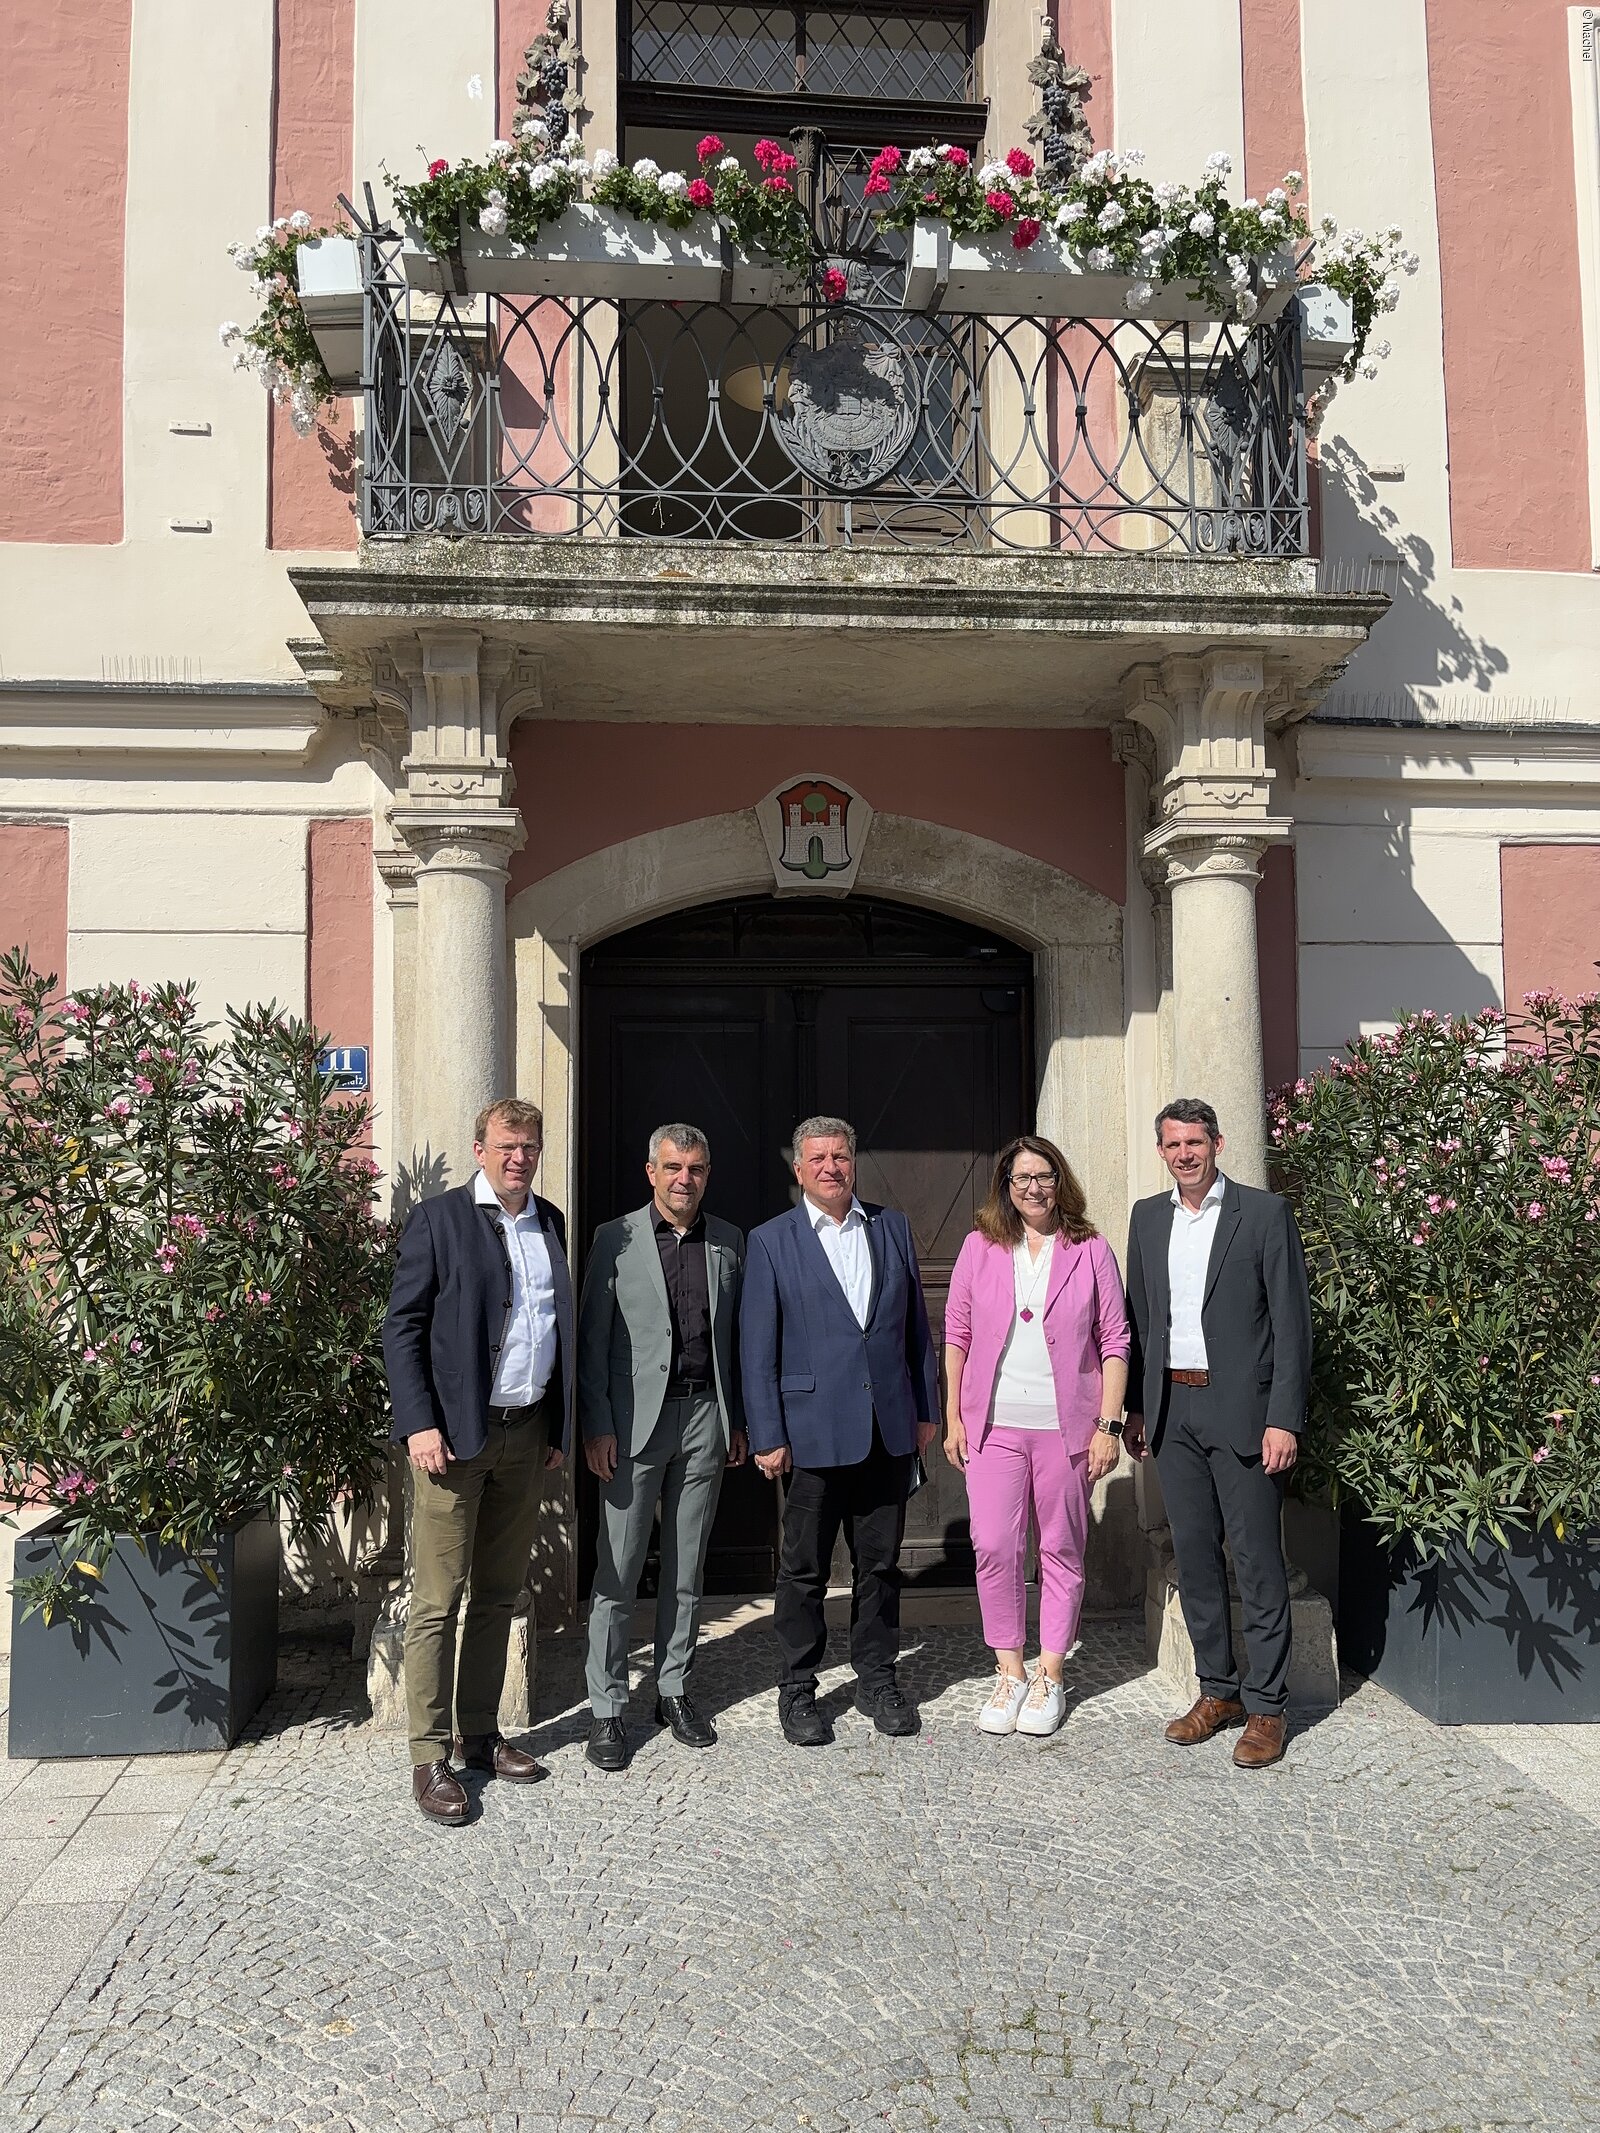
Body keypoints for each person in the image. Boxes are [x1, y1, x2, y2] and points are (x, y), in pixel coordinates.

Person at [382, 1098, 574, 1824]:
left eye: (530, 1146)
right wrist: (418, 1423)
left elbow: (552, 1328)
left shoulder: (549, 1221)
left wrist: (557, 1423)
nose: (519, 1157)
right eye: (506, 1145)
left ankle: (481, 1735)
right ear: (479, 1149)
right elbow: (402, 1328)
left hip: (526, 1433)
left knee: (498, 1593)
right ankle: (428, 1754)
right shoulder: (440, 1220)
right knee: (437, 1600)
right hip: (452, 1439)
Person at [1123, 1097, 1312, 1770]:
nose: (1185, 1154)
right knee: (1196, 1557)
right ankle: (1218, 1691)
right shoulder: (1148, 1217)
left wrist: (1283, 1417)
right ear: (1161, 1151)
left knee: (1257, 1561)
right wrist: (1137, 1408)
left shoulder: (1263, 1214)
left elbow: (1291, 1325)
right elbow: (1140, 1319)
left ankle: (1267, 1707)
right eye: (1173, 1144)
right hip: (1173, 1411)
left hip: (1245, 1415)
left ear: (1217, 1144)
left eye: (1195, 1142)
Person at [740, 1115, 940, 1746]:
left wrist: (926, 1410)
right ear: (799, 1169)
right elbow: (757, 1347)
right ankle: (798, 1686)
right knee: (804, 1571)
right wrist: (767, 1434)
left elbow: (915, 1330)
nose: (831, 1167)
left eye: (842, 1156)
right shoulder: (771, 1240)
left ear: (854, 1163)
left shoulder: (891, 1226)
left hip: (886, 1428)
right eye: (819, 1158)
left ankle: (877, 1678)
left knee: (879, 1566)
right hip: (810, 1432)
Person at [944, 1134, 1130, 1738]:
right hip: (993, 1425)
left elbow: (1115, 1340)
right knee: (995, 1545)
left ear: (1060, 1181)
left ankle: (1051, 1672)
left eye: (1044, 1176)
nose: (1033, 1187)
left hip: (1066, 1428)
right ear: (1006, 1185)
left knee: (1061, 1550)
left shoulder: (1090, 1248)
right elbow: (957, 1334)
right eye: (1022, 1177)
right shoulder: (979, 1246)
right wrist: (953, 1416)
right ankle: (1009, 1671)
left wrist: (1108, 1425)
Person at [578, 1123, 747, 1772]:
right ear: (651, 1171)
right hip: (631, 1425)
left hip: (704, 1417)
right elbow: (592, 1341)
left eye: (696, 1168)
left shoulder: (728, 1241)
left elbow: (737, 1340)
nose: (685, 1179)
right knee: (617, 1569)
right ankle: (607, 1705)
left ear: (707, 1174)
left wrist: (736, 1419)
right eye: (673, 1167)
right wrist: (596, 1424)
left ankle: (673, 1688)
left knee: (686, 1566)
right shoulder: (614, 1238)